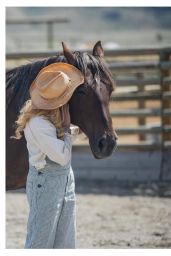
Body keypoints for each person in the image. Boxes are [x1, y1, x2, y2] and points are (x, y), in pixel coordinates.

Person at [12, 62, 84, 248]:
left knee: (65, 239)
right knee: (41, 241)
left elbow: (58, 138)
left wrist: (71, 130)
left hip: (64, 179)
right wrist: (68, 131)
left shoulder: (49, 118)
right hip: (46, 183)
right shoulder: (38, 124)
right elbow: (62, 157)